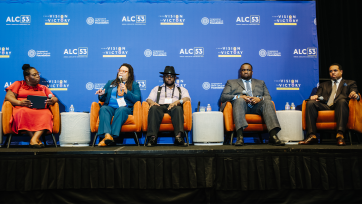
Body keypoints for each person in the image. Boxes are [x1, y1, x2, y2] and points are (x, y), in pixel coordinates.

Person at [220, 63, 284, 146]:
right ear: (240, 72)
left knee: (268, 102)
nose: (246, 72)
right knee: (239, 101)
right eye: (243, 70)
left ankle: (273, 136)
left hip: (256, 107)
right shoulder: (231, 82)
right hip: (240, 107)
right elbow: (224, 97)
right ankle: (240, 137)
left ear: (252, 72)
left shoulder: (261, 82)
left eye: (248, 70)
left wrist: (259, 99)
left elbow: (268, 97)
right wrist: (239, 96)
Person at [300, 63, 359, 146]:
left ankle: (340, 135)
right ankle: (312, 135)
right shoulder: (323, 85)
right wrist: (316, 96)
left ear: (341, 72)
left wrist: (355, 94)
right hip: (326, 106)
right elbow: (319, 97)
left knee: (342, 101)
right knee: (310, 103)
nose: (333, 73)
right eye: (330, 71)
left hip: (341, 107)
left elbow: (356, 94)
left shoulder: (349, 83)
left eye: (335, 70)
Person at [5, 64, 58, 148]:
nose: (38, 76)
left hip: (40, 109)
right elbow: (8, 97)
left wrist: (52, 100)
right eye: (34, 75)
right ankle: (36, 140)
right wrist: (20, 103)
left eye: (38, 74)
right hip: (22, 108)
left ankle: (34, 139)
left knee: (47, 114)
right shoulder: (18, 84)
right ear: (27, 77)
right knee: (23, 112)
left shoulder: (43, 87)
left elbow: (55, 98)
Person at [95, 63, 141, 147]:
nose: (121, 72)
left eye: (124, 71)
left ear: (129, 74)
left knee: (121, 109)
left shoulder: (134, 84)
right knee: (104, 108)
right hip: (110, 107)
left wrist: (127, 91)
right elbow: (102, 99)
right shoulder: (110, 83)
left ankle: (110, 137)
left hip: (125, 108)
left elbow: (137, 99)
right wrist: (101, 94)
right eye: (120, 70)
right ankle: (108, 135)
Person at [145, 66, 191, 147]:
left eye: (171, 76)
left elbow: (187, 98)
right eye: (167, 76)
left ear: (175, 78)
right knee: (154, 108)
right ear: (163, 77)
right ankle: (152, 138)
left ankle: (179, 137)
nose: (169, 78)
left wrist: (178, 101)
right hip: (160, 106)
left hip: (174, 106)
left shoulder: (181, 89)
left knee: (178, 108)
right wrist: (152, 103)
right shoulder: (157, 88)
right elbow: (149, 99)